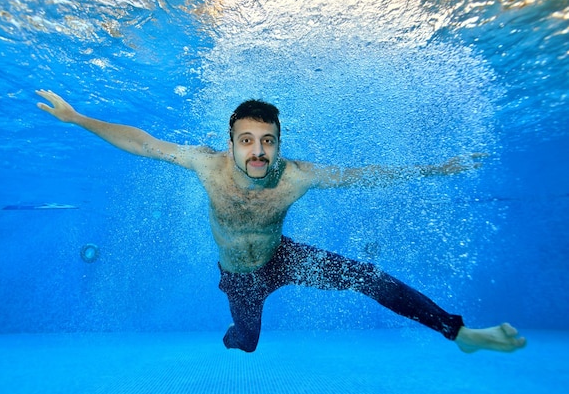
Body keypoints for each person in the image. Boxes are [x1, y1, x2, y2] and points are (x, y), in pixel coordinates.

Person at [36, 89, 526, 354]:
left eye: (267, 140)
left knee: (368, 278)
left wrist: (434, 170)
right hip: (239, 279)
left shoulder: (296, 177)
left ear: (278, 144)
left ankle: (459, 334)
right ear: (230, 143)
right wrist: (79, 118)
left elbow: (364, 176)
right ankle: (237, 335)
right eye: (246, 139)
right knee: (246, 343)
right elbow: (141, 142)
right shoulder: (206, 165)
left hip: (284, 259)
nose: (257, 150)